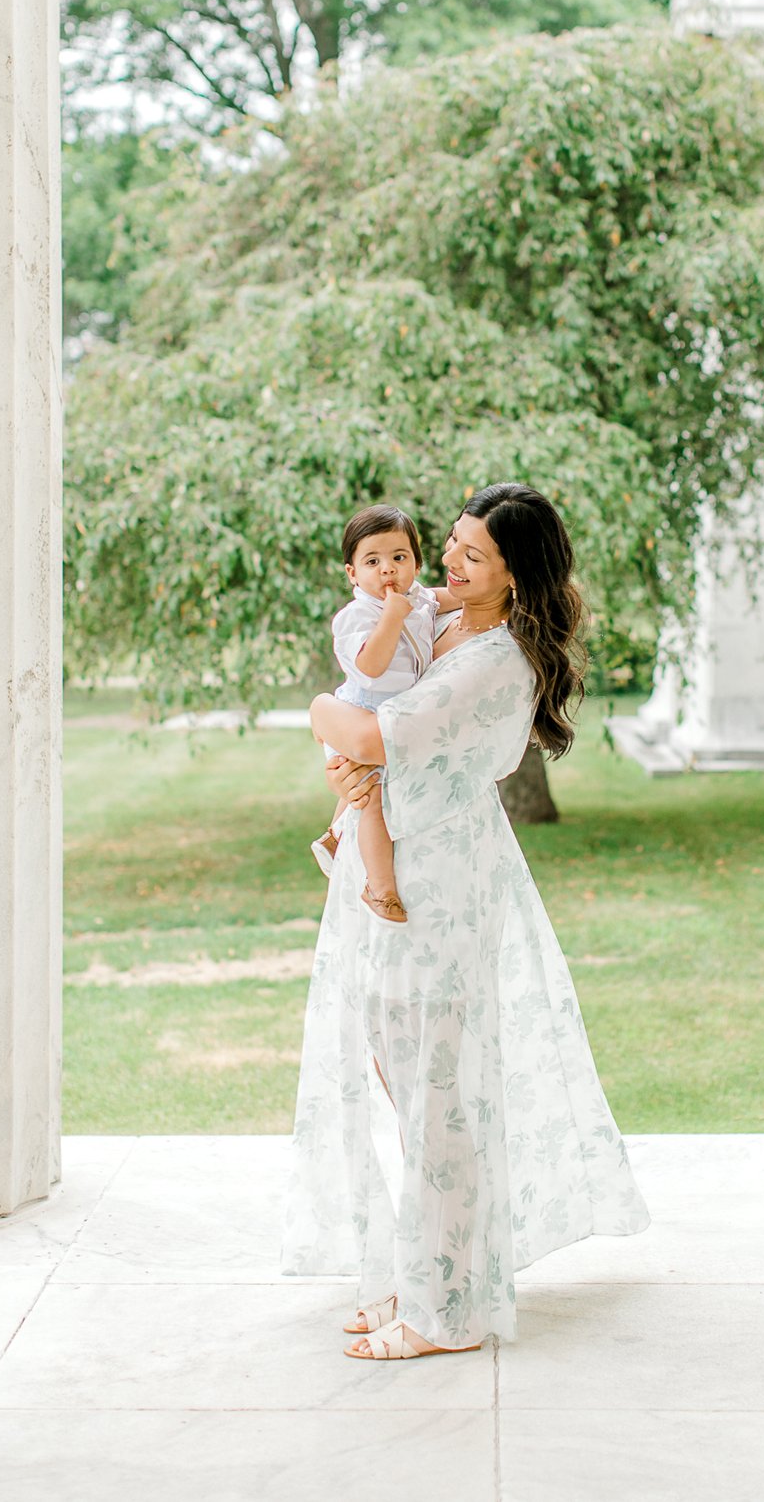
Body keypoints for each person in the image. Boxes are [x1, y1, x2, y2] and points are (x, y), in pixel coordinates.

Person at [283, 481, 649, 1361]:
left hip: (442, 879)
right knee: (401, 1072)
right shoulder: (443, 616)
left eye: (472, 553)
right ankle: (424, 1269)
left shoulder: (496, 660)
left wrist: (321, 719)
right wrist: (353, 758)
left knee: (439, 1086)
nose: (448, 559)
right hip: (404, 856)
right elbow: (378, 684)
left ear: (514, 577)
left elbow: (368, 731)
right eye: (451, 540)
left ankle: (445, 1310)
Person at [311, 504, 450, 924]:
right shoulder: (355, 617)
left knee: (369, 790)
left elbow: (448, 597)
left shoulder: (417, 597)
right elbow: (370, 666)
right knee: (371, 799)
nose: (387, 570)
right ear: (352, 573)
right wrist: (391, 616)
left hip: (395, 714)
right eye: (372, 561)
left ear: (416, 562)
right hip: (359, 714)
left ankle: (335, 836)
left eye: (399, 558)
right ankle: (381, 888)